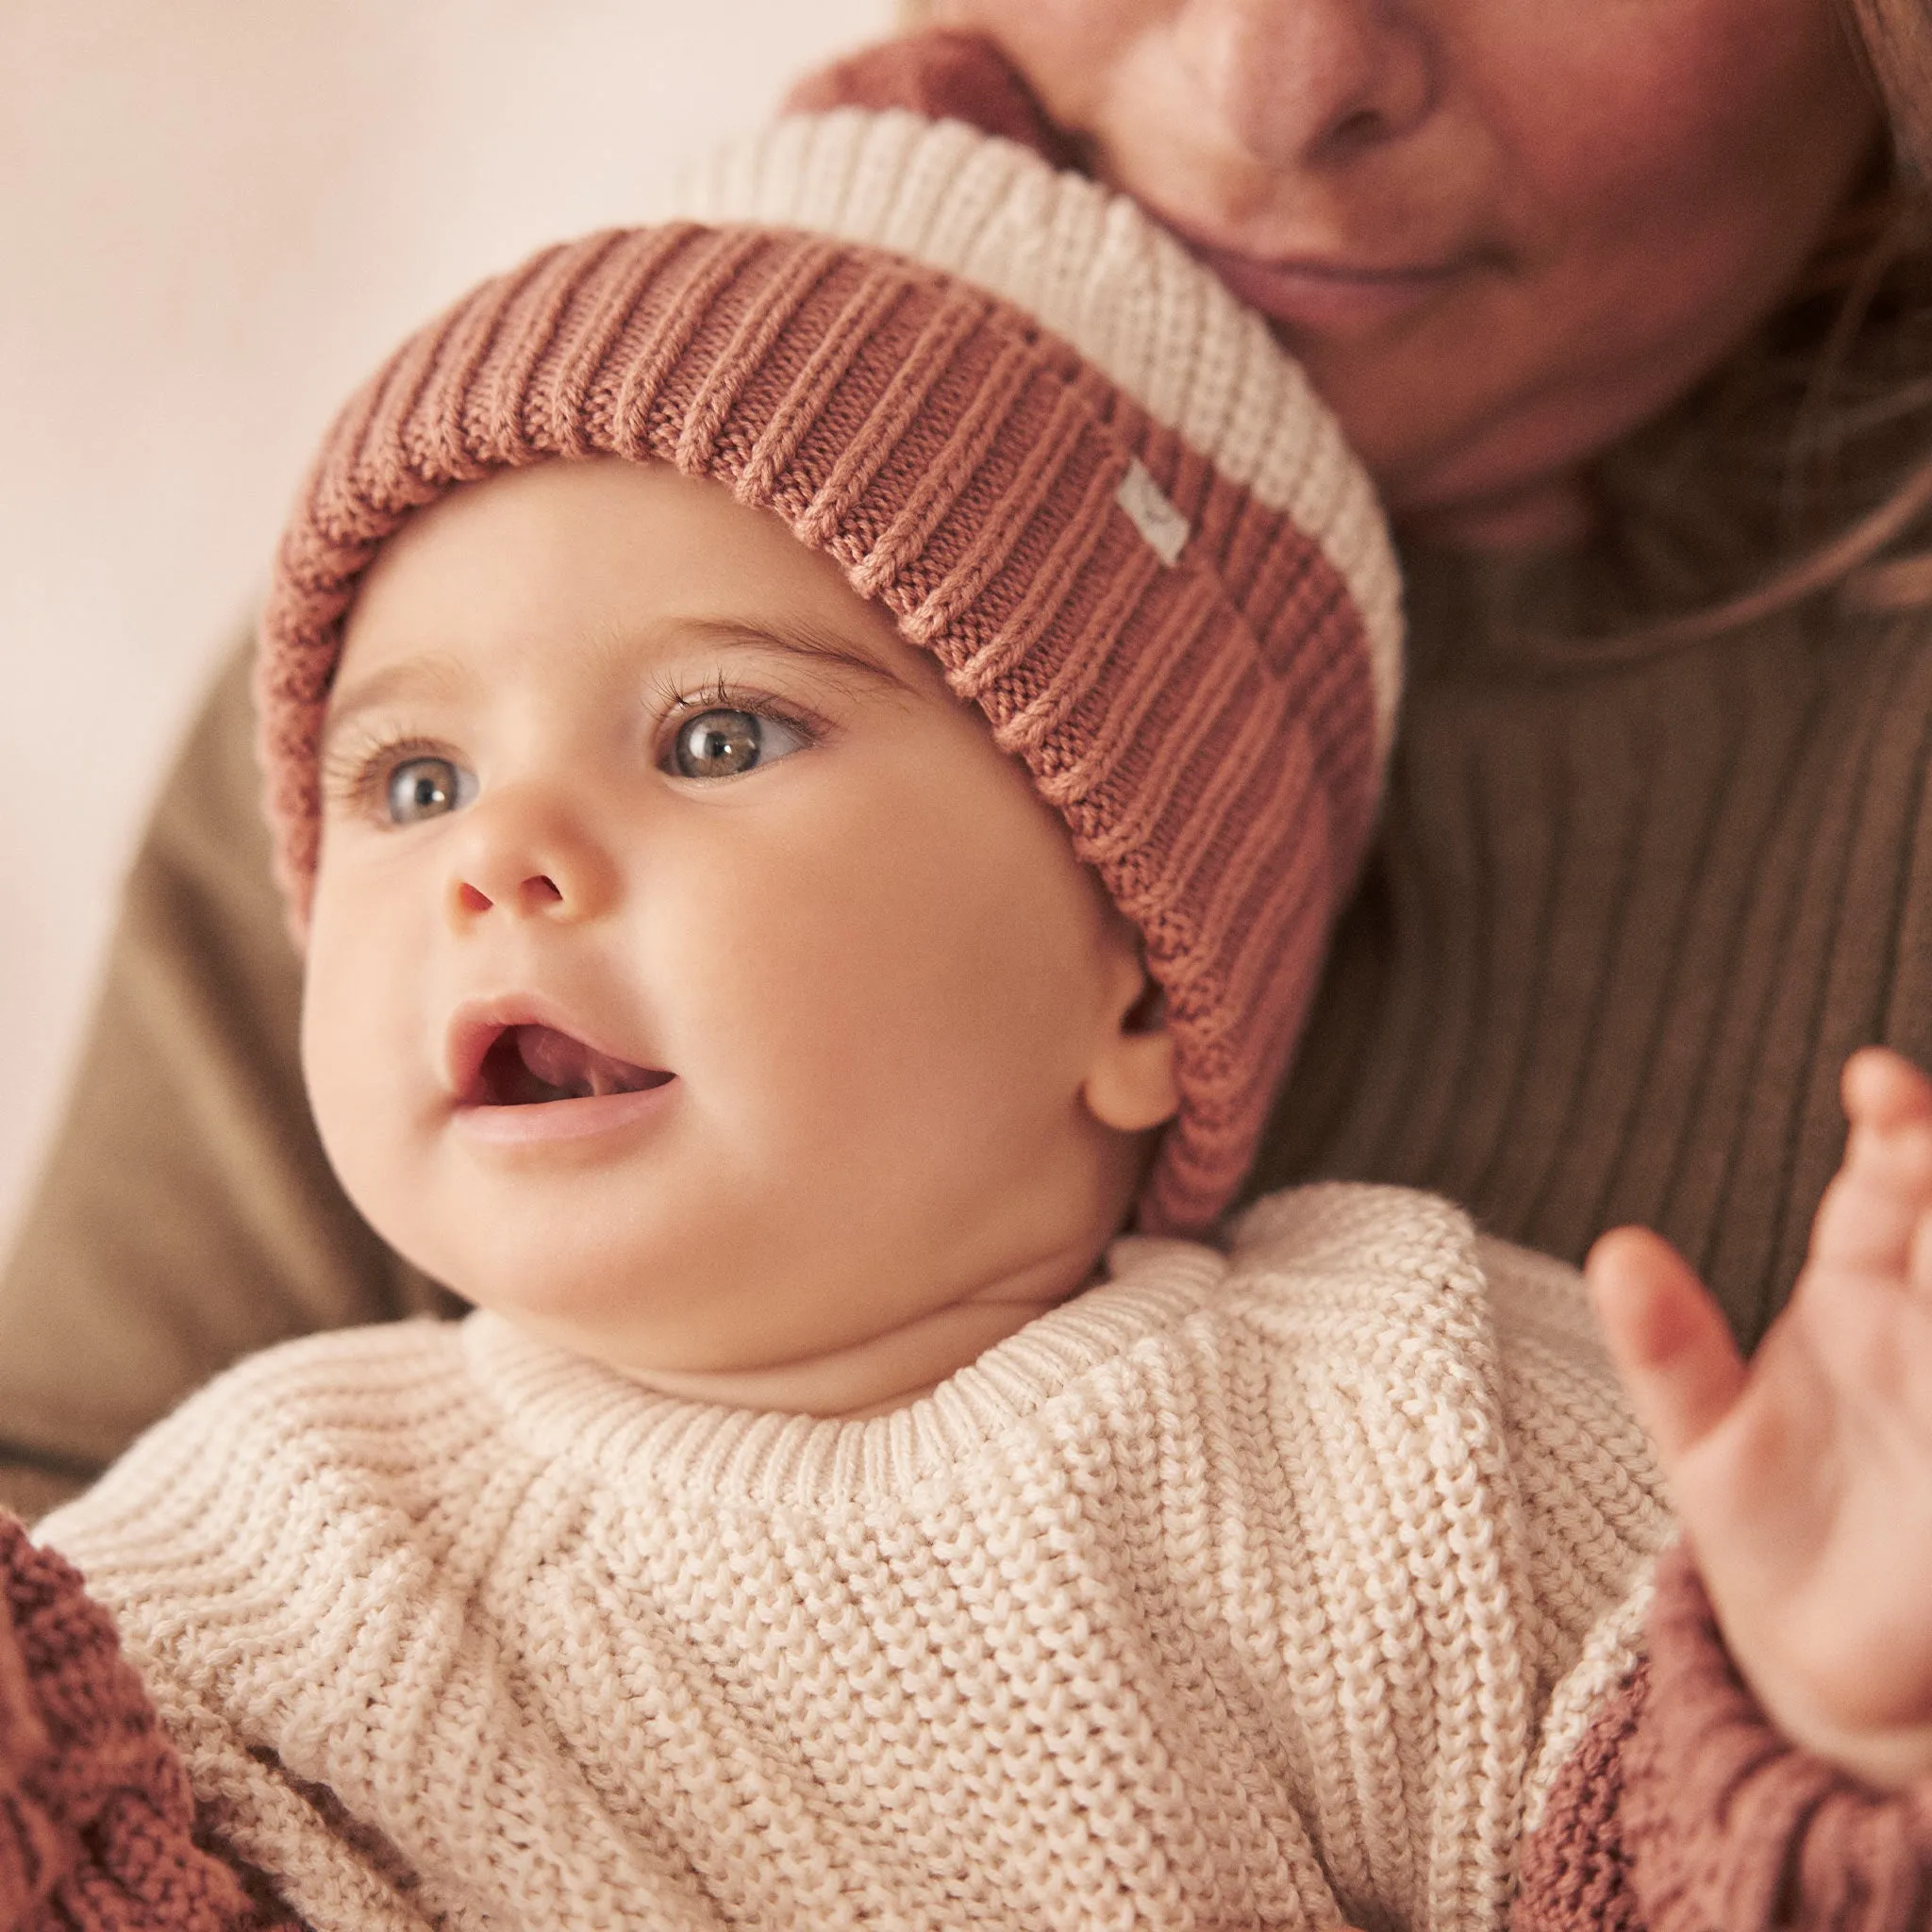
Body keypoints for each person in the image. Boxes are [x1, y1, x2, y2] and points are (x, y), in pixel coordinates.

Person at [5, 111, 1931, 1932]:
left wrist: (1818, 1727)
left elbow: (1655, 1861)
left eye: (717, 736)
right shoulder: (282, 1540)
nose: (496, 855)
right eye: (412, 781)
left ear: (1132, 978)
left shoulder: (1411, 1418)